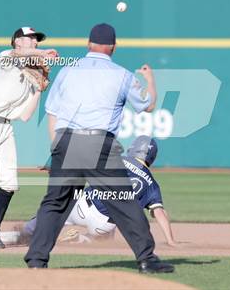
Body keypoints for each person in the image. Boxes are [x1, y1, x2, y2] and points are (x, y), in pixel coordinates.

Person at [24, 23, 174, 273]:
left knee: (55, 203)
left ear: (88, 44)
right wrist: (150, 80)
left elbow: (52, 112)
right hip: (99, 144)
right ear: (113, 48)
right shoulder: (122, 75)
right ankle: (147, 258)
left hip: (66, 142)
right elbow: (147, 105)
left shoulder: (67, 71)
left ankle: (37, 261)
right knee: (123, 200)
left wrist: (55, 150)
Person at [0, 26, 58, 248]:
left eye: (37, 40)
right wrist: (43, 55)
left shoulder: (28, 77)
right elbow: (18, 55)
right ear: (17, 41)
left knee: (10, 183)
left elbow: (25, 116)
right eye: (31, 38)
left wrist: (38, 89)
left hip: (5, 128)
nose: (35, 42)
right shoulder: (4, 58)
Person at [1, 136, 178, 247]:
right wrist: (170, 240)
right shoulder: (152, 184)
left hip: (81, 206)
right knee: (112, 227)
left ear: (133, 148)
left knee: (54, 209)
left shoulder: (118, 159)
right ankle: (81, 240)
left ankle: (13, 236)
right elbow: (159, 212)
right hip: (103, 225)